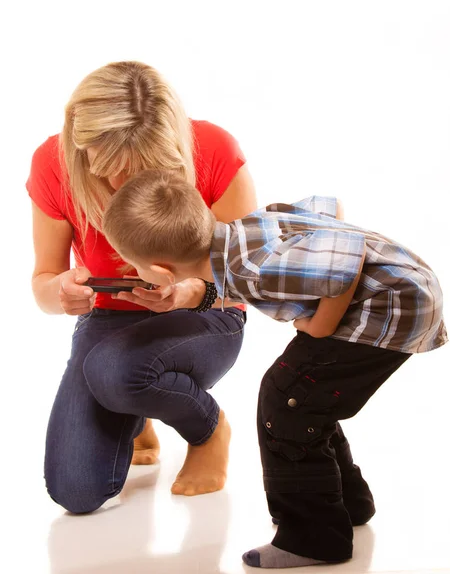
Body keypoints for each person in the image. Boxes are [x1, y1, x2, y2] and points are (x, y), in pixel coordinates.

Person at [102, 170, 447, 568]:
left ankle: (312, 539)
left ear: (161, 270)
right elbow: (326, 207)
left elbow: (346, 256)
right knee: (304, 397)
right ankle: (348, 504)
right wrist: (188, 297)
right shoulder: (236, 236)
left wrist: (321, 326)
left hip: (393, 307)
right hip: (402, 291)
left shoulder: (254, 267)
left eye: (133, 265)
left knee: (288, 403)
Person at [27, 61, 257, 513]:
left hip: (205, 312)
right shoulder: (52, 164)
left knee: (116, 372)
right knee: (75, 493)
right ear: (84, 149)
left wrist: (189, 292)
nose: (128, 184)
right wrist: (62, 292)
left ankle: (208, 429)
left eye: (145, 166)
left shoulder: (213, 148)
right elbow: (42, 283)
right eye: (114, 169)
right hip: (109, 321)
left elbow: (245, 279)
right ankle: (136, 413)